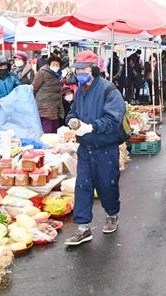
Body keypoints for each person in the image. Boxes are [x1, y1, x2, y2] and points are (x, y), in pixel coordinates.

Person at [64, 50, 126, 246]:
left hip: (105, 147)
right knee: (82, 186)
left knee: (107, 185)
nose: (80, 73)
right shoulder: (79, 92)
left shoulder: (109, 90)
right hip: (85, 147)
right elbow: (72, 112)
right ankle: (83, 228)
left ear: (94, 70)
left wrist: (92, 126)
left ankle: (112, 214)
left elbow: (114, 118)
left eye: (83, 69)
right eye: (78, 69)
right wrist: (72, 120)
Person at [33, 56, 63, 133]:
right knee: (47, 132)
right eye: (53, 64)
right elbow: (34, 87)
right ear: (49, 65)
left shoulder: (59, 75)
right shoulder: (42, 72)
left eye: (57, 65)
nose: (55, 67)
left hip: (55, 107)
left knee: (54, 131)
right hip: (44, 107)